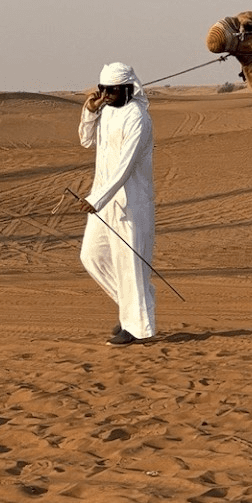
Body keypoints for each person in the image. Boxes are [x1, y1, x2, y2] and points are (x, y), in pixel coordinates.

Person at [77, 62, 156, 346]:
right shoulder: (105, 112)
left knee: (129, 265)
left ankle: (135, 327)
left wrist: (97, 198)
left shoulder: (138, 118)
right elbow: (86, 141)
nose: (107, 95)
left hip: (130, 202)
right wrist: (89, 111)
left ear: (128, 88)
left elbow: (125, 165)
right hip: (102, 201)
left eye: (112, 90)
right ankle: (135, 309)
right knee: (92, 257)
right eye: (102, 90)